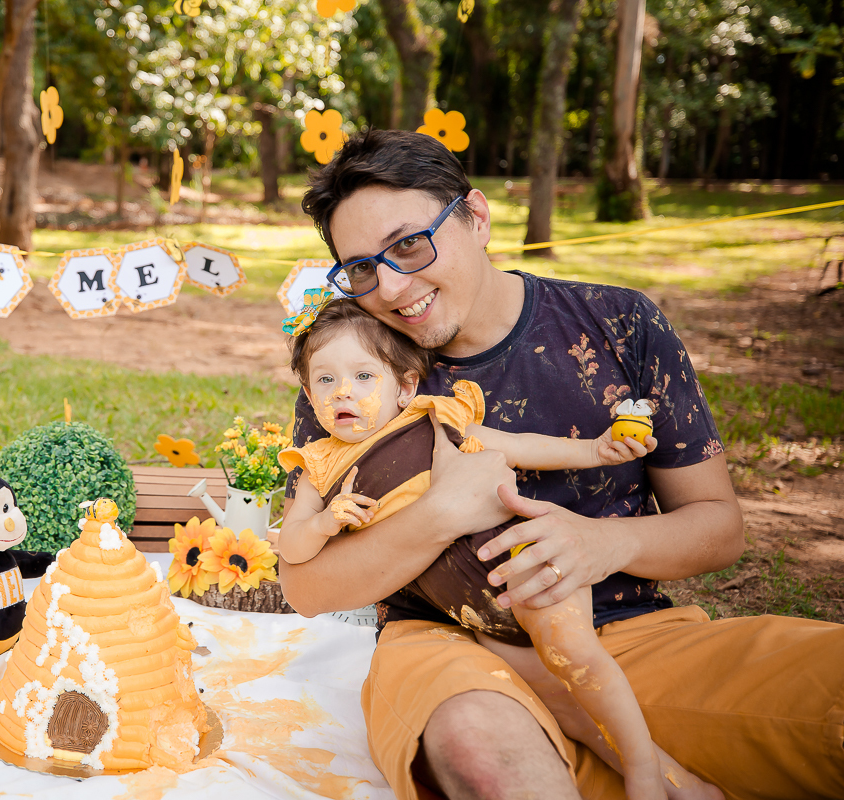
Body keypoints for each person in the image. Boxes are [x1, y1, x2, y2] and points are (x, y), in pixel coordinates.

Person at [277, 128, 844, 800]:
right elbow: (306, 587)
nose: (393, 286)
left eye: (409, 244)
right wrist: (442, 514)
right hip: (445, 646)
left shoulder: (620, 323)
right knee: (481, 751)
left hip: (625, 636)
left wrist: (599, 543)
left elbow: (719, 528)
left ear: (476, 217)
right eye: (364, 268)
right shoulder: (355, 376)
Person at [276, 297, 715, 799]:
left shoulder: (433, 417)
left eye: (363, 376)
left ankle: (641, 773)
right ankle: (679, 782)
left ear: (405, 386)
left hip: (525, 563)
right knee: (555, 698)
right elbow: (292, 547)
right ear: (309, 395)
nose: (343, 393)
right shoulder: (319, 465)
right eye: (325, 381)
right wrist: (326, 523)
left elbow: (520, 444)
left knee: (577, 658)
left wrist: (593, 451)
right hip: (471, 612)